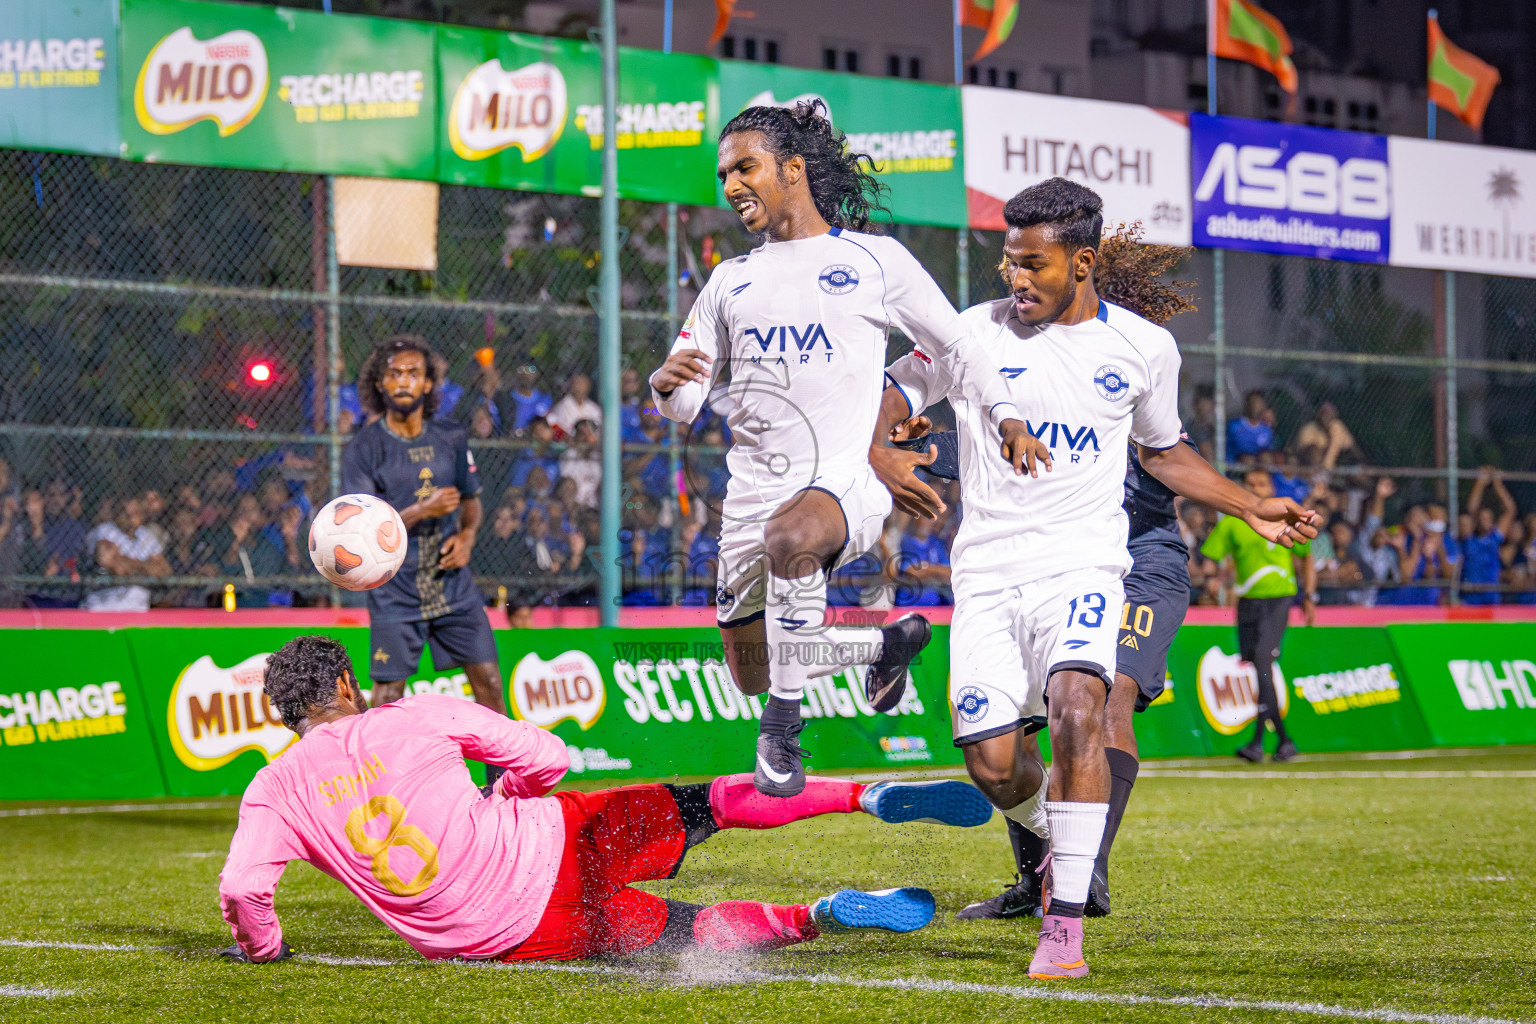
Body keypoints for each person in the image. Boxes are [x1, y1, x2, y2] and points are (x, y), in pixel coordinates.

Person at [877, 213, 1313, 955]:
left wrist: (1247, 502)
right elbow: (978, 431)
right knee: (1003, 745)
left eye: (1033, 264)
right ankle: (1048, 859)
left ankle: (1080, 884)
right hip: (1000, 569)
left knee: (1092, 703)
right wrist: (900, 445)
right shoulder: (980, 341)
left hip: (1128, 561)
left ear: (1081, 266)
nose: (1016, 279)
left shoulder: (1140, 357)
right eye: (1009, 263)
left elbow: (1165, 454)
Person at [649, 100, 1036, 798]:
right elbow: (682, 406)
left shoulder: (873, 260)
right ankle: (882, 644)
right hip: (749, 502)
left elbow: (960, 346)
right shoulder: (728, 281)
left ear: (793, 170)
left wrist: (1004, 414)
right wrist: (663, 384)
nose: (732, 184)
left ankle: (782, 730)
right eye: (723, 173)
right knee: (752, 670)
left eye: (746, 167)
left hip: (845, 485)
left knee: (794, 537)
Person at [217, 635, 995, 964]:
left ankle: (814, 916)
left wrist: (268, 950)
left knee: (680, 934)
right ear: (349, 684)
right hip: (553, 839)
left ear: (284, 714)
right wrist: (509, 795)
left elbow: (245, 889)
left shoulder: (272, 788)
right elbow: (548, 758)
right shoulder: (415, 713)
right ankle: (867, 794)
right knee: (713, 802)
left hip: (505, 937)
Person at [341, 336, 508, 787]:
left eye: (413, 373)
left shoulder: (451, 437)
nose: (403, 381)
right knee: (387, 697)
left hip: (454, 585)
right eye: (393, 373)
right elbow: (359, 527)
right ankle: (375, 792)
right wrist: (420, 511)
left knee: (490, 686)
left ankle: (501, 791)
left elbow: (471, 502)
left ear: (429, 382)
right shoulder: (362, 448)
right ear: (379, 383)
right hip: (395, 590)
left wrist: (469, 535)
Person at [1201, 467, 1316, 763]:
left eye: (1262, 483)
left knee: (1263, 659)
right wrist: (1214, 577)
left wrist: (1309, 596)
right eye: (1250, 483)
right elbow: (1214, 559)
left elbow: (1306, 556)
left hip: (1278, 597)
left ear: (1271, 487)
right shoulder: (1233, 523)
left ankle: (1284, 738)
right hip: (1248, 602)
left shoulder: (1286, 517)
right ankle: (1262, 742)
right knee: (1257, 666)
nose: (1256, 487)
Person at [83, 495, 171, 612]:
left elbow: (165, 571)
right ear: (116, 513)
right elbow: (109, 563)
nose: (130, 518)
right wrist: (146, 567)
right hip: (103, 608)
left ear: (142, 515)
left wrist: (124, 562)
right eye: (125, 513)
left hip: (137, 609)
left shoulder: (146, 535)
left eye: (135, 513)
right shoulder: (104, 531)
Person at [1462, 467, 1517, 605]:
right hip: (1470, 597)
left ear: (1492, 522)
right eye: (1481, 518)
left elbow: (1510, 511)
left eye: (1487, 518)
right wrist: (1480, 483)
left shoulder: (1495, 538)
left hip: (1491, 596)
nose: (1483, 521)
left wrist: (1498, 485)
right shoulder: (1469, 538)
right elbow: (1470, 511)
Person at [1226, 390, 1276, 465]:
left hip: (1258, 465)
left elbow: (1268, 450)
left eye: (1259, 403)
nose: (1256, 406)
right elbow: (1236, 447)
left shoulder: (1266, 429)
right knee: (1247, 460)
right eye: (1253, 403)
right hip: (1236, 464)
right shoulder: (1235, 425)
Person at [546, 373, 602, 438]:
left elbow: (599, 429)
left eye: (582, 384)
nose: (578, 387)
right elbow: (557, 426)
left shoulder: (595, 409)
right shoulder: (562, 406)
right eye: (576, 383)